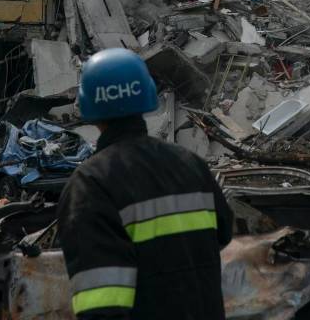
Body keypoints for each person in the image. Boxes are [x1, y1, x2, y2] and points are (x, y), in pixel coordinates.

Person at [57, 48, 234, 319]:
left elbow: (101, 304)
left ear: (89, 106)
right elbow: (223, 234)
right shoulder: (190, 164)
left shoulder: (91, 184)